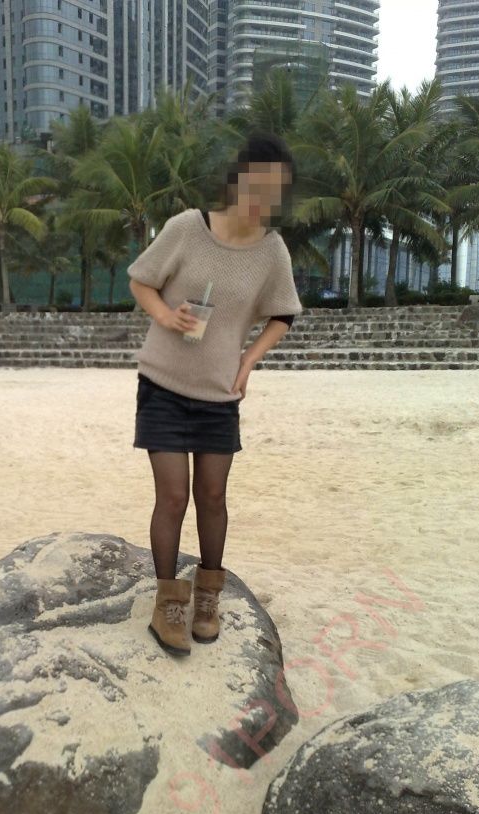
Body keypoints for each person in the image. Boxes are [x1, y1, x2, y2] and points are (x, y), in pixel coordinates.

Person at [126, 130, 303, 658]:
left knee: (212, 497)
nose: (260, 199)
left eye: (273, 192)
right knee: (172, 497)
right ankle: (168, 602)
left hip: (219, 396)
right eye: (255, 185)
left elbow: (283, 314)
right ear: (237, 179)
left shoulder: (271, 250)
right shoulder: (187, 227)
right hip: (162, 384)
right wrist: (166, 315)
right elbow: (141, 280)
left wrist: (248, 361)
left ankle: (207, 597)